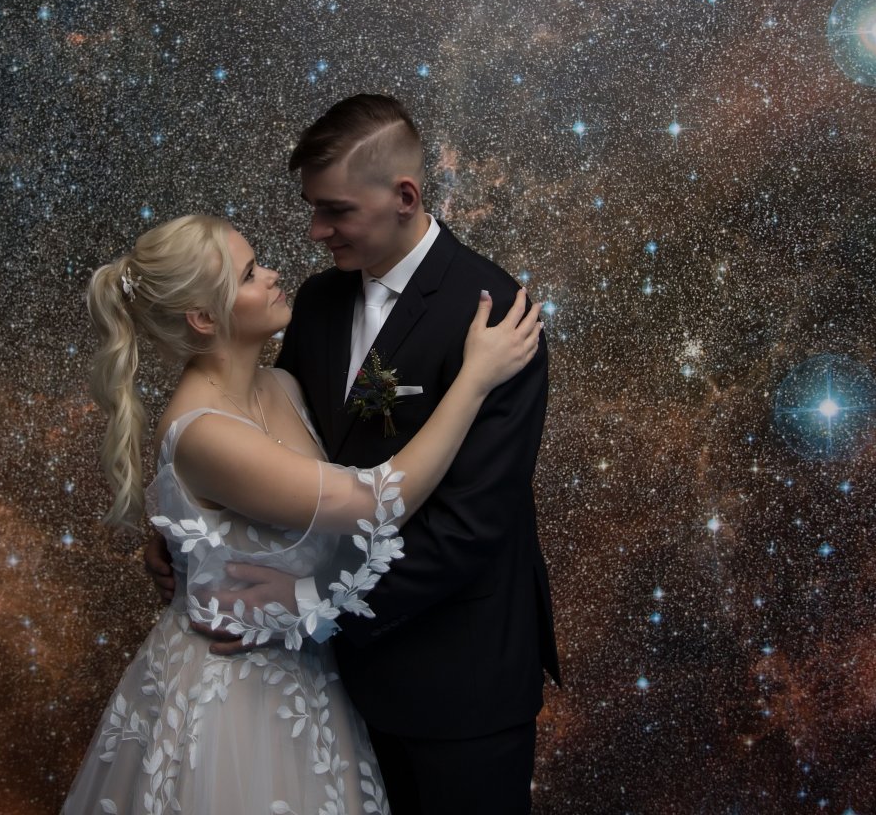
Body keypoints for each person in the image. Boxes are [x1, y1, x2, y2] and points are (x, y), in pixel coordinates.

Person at [146, 94, 562, 814]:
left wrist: (313, 601)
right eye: (313, 208)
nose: (316, 231)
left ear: (405, 197)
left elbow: (470, 527)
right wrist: (189, 529)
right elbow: (272, 450)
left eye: (335, 211)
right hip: (333, 685)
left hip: (457, 680)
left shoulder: (492, 315)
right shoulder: (316, 303)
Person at [62, 212, 543, 814]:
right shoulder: (205, 432)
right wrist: (474, 380)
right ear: (204, 317)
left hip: (320, 673)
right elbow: (372, 503)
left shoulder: (282, 386)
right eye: (249, 274)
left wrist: (186, 537)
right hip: (235, 690)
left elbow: (288, 501)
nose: (273, 274)